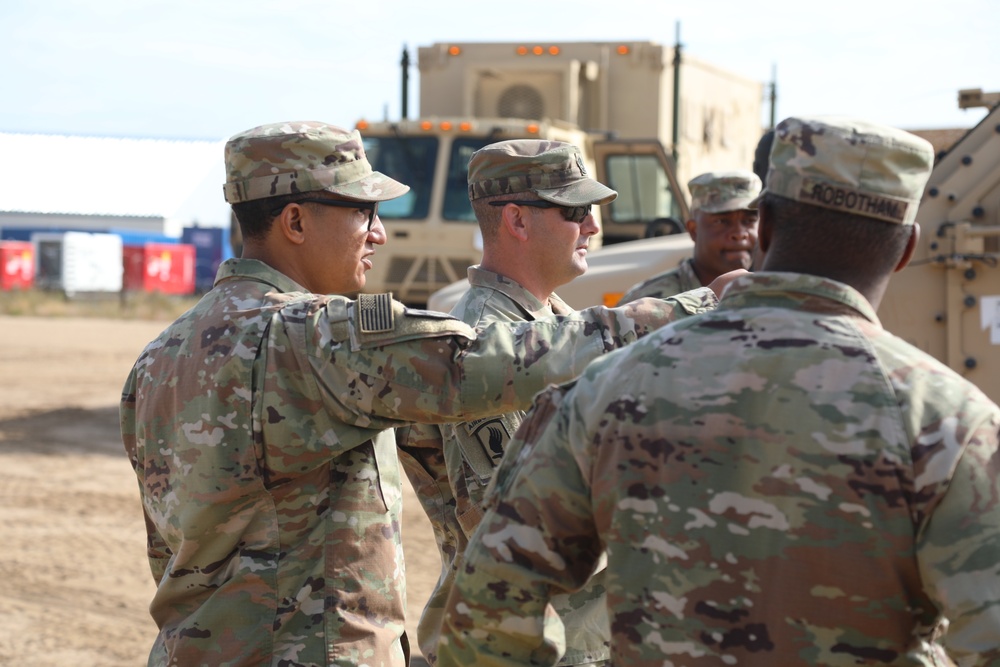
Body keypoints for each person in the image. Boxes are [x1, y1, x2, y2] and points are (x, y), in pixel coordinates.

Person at [119, 120, 724, 667]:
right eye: (362, 210)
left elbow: (170, 549)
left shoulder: (158, 360)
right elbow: (485, 360)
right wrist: (697, 307)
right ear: (295, 221)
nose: (379, 233)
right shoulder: (313, 335)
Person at [437, 115, 1000, 666]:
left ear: (766, 229)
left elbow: (491, 607)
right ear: (906, 251)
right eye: (576, 210)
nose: (593, 226)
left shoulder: (606, 390)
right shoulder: (955, 423)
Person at [397, 139, 617, 666]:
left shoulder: (547, 323)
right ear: (517, 220)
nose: (592, 226)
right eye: (575, 211)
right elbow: (513, 530)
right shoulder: (484, 345)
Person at [617, 169, 762, 303]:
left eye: (749, 221)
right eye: (721, 221)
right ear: (693, 230)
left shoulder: (771, 295)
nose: (739, 234)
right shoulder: (648, 301)